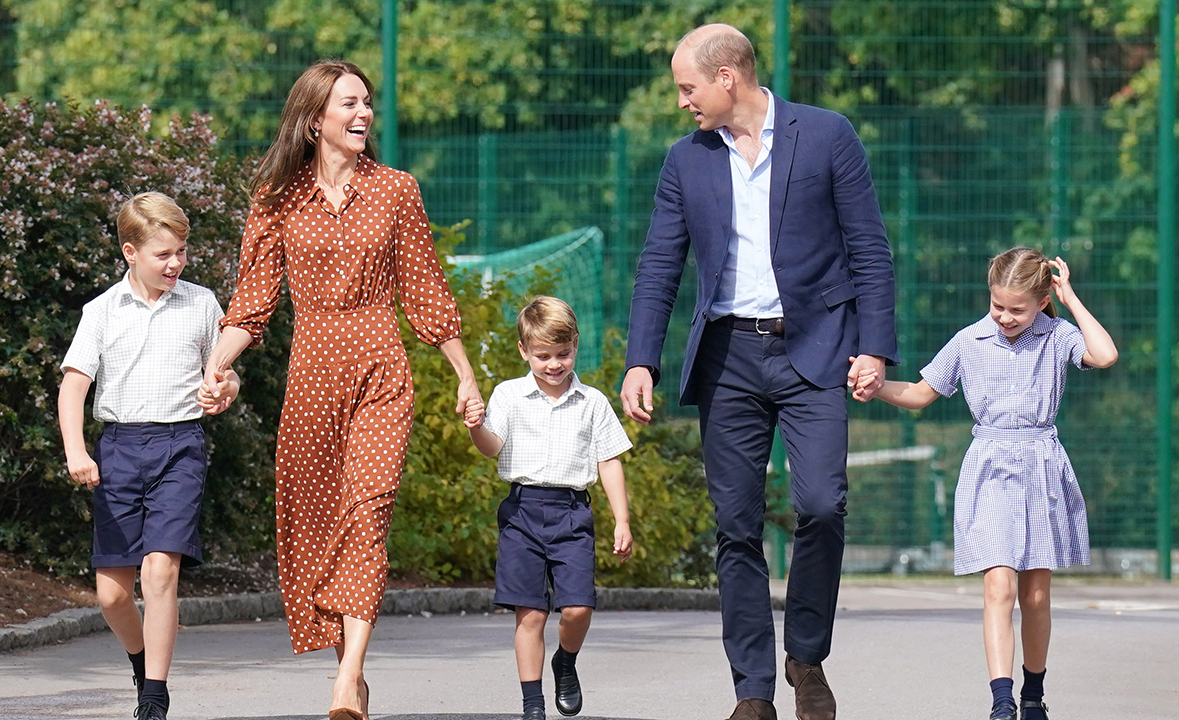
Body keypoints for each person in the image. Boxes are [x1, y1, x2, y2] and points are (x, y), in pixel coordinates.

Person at [619, 23, 899, 720]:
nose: (682, 101)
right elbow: (660, 262)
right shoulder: (686, 161)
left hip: (816, 349)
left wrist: (873, 348)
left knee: (821, 505)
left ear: (727, 78)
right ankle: (752, 690)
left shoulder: (827, 135)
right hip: (729, 359)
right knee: (736, 526)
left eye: (688, 87)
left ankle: (806, 655)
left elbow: (869, 248)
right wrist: (641, 359)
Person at [199, 60, 481, 720]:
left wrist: (466, 373)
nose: (364, 115)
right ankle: (349, 673)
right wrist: (217, 364)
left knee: (367, 512)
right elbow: (253, 302)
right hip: (312, 376)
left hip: (381, 368)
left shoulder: (396, 191)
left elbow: (425, 290)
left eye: (368, 104)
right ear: (313, 117)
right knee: (320, 527)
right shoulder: (277, 198)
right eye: (349, 103)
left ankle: (346, 679)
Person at [853, 248, 1116, 720]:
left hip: (1041, 467)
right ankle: (1002, 700)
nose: (1005, 317)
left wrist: (1070, 297)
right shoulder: (969, 340)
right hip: (990, 468)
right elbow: (918, 393)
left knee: (1036, 594)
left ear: (1040, 301)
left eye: (1017, 309)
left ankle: (1034, 696)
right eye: (998, 306)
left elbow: (1105, 354)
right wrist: (877, 387)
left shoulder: (1058, 336)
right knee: (1000, 588)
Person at [57, 192, 240, 720]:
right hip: (118, 449)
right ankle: (142, 664)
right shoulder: (101, 311)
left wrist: (224, 389)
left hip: (180, 446)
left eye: (181, 251)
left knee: (160, 571)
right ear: (130, 251)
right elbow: (73, 388)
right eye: (164, 254)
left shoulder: (202, 303)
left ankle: (154, 699)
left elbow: (225, 374)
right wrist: (76, 449)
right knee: (113, 596)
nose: (176, 263)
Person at [462, 295, 633, 720]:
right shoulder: (508, 395)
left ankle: (566, 662)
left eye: (563, 353)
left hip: (572, 512)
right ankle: (532, 703)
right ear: (524, 351)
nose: (554, 364)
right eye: (543, 355)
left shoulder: (592, 402)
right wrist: (475, 428)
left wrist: (622, 520)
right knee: (531, 612)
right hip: (522, 513)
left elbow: (608, 460)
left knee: (577, 608)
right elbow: (491, 447)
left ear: (575, 344)